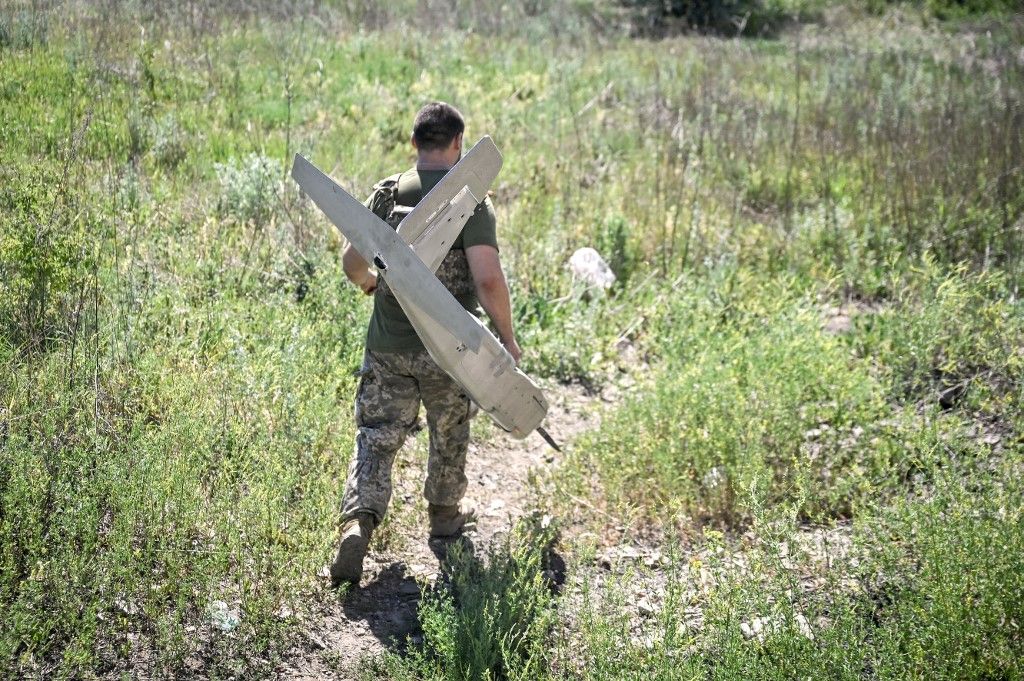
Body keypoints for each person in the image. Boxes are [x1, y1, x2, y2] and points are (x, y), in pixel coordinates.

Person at [331, 102, 521, 586]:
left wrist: (372, 285)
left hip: (389, 346)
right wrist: (507, 339)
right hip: (449, 351)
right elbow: (488, 280)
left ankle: (359, 522)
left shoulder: (388, 193)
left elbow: (353, 261)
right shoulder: (471, 200)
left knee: (376, 437)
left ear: (414, 144)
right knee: (450, 431)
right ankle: (444, 517)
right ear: (458, 145)